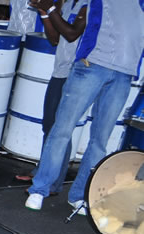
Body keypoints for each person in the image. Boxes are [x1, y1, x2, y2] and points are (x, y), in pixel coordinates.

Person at [25, 0, 144, 213]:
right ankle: (39, 189)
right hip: (91, 66)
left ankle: (80, 196)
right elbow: (70, 33)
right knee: (62, 129)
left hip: (123, 74)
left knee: (100, 140)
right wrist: (49, 11)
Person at [16, 0, 87, 191]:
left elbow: (72, 34)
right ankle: (46, 172)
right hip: (60, 71)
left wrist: (51, 9)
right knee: (50, 125)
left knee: (60, 129)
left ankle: (52, 181)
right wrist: (45, 14)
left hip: (76, 72)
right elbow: (55, 38)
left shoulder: (90, 4)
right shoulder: (71, 4)